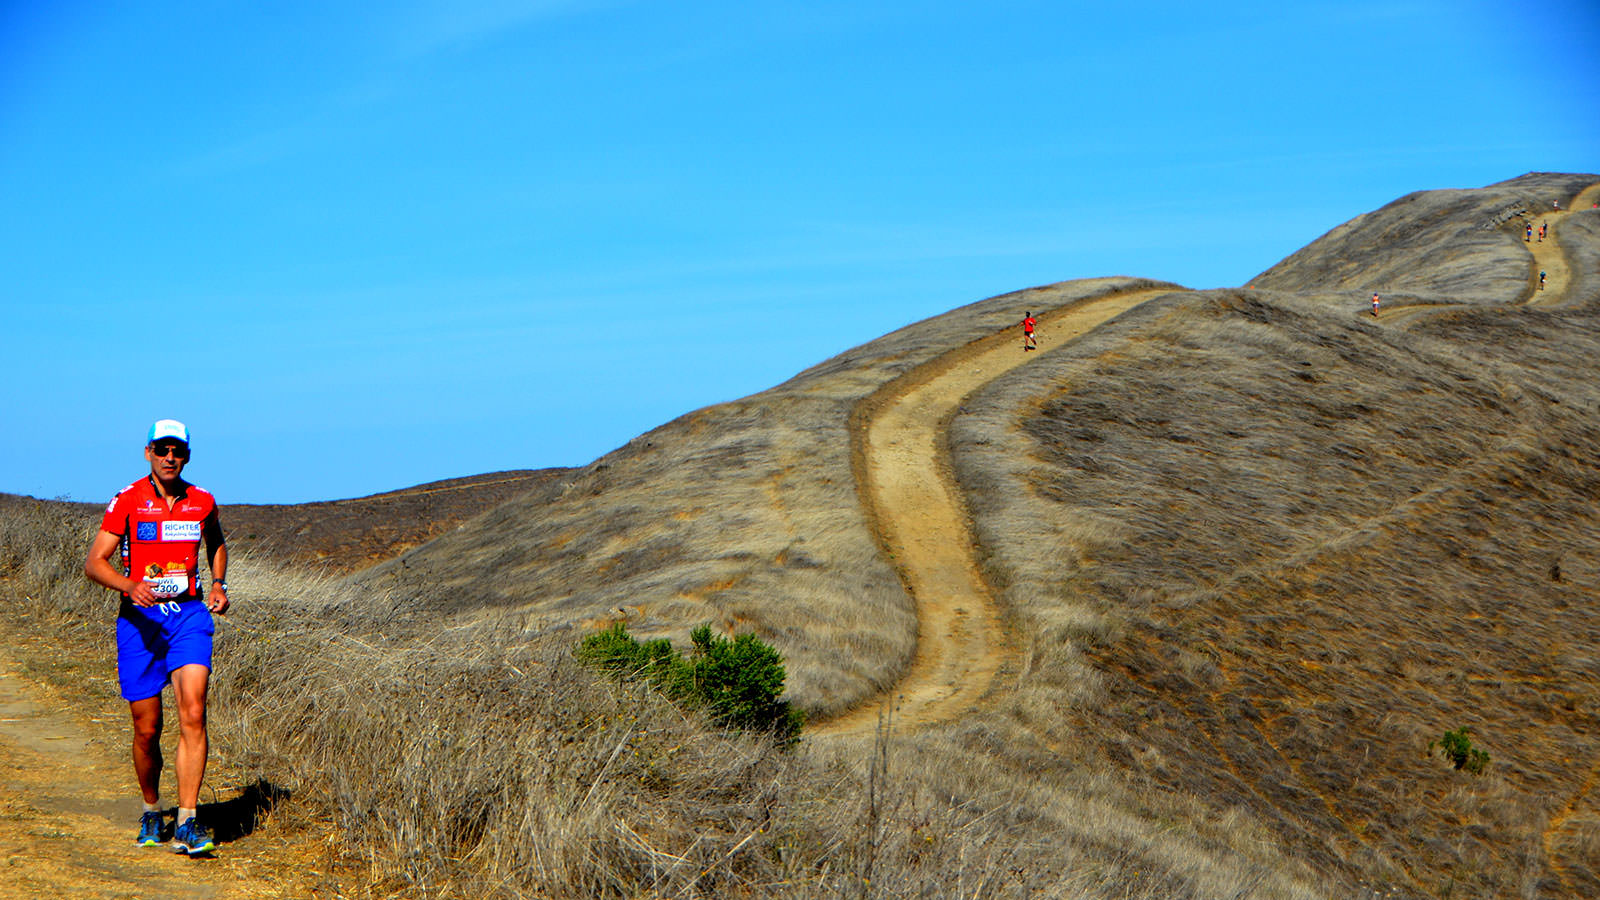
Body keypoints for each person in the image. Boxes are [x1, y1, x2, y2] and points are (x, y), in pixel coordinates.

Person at [84, 419, 229, 857]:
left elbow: (217, 542)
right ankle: (152, 807)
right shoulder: (127, 500)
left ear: (186, 456)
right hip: (140, 622)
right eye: (163, 449)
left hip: (187, 616)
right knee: (147, 729)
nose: (171, 457)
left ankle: (187, 820)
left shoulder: (201, 501)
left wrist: (219, 583)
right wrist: (129, 586)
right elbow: (95, 562)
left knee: (194, 712)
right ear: (148, 452)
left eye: (178, 451)